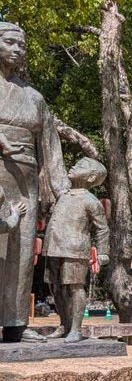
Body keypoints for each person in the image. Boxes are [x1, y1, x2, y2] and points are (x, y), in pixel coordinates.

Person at [0, 21, 70, 343]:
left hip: (26, 180)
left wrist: (61, 187)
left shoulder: (35, 98)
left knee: (22, 250)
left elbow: (51, 144)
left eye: (22, 45)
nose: (17, 50)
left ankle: (15, 323)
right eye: (10, 42)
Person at [43, 157, 109, 343]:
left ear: (91, 177)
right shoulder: (63, 195)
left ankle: (76, 329)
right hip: (53, 247)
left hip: (75, 249)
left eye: (80, 166)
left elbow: (102, 228)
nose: (74, 166)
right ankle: (64, 324)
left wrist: (103, 253)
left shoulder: (91, 201)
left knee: (75, 287)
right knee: (55, 287)